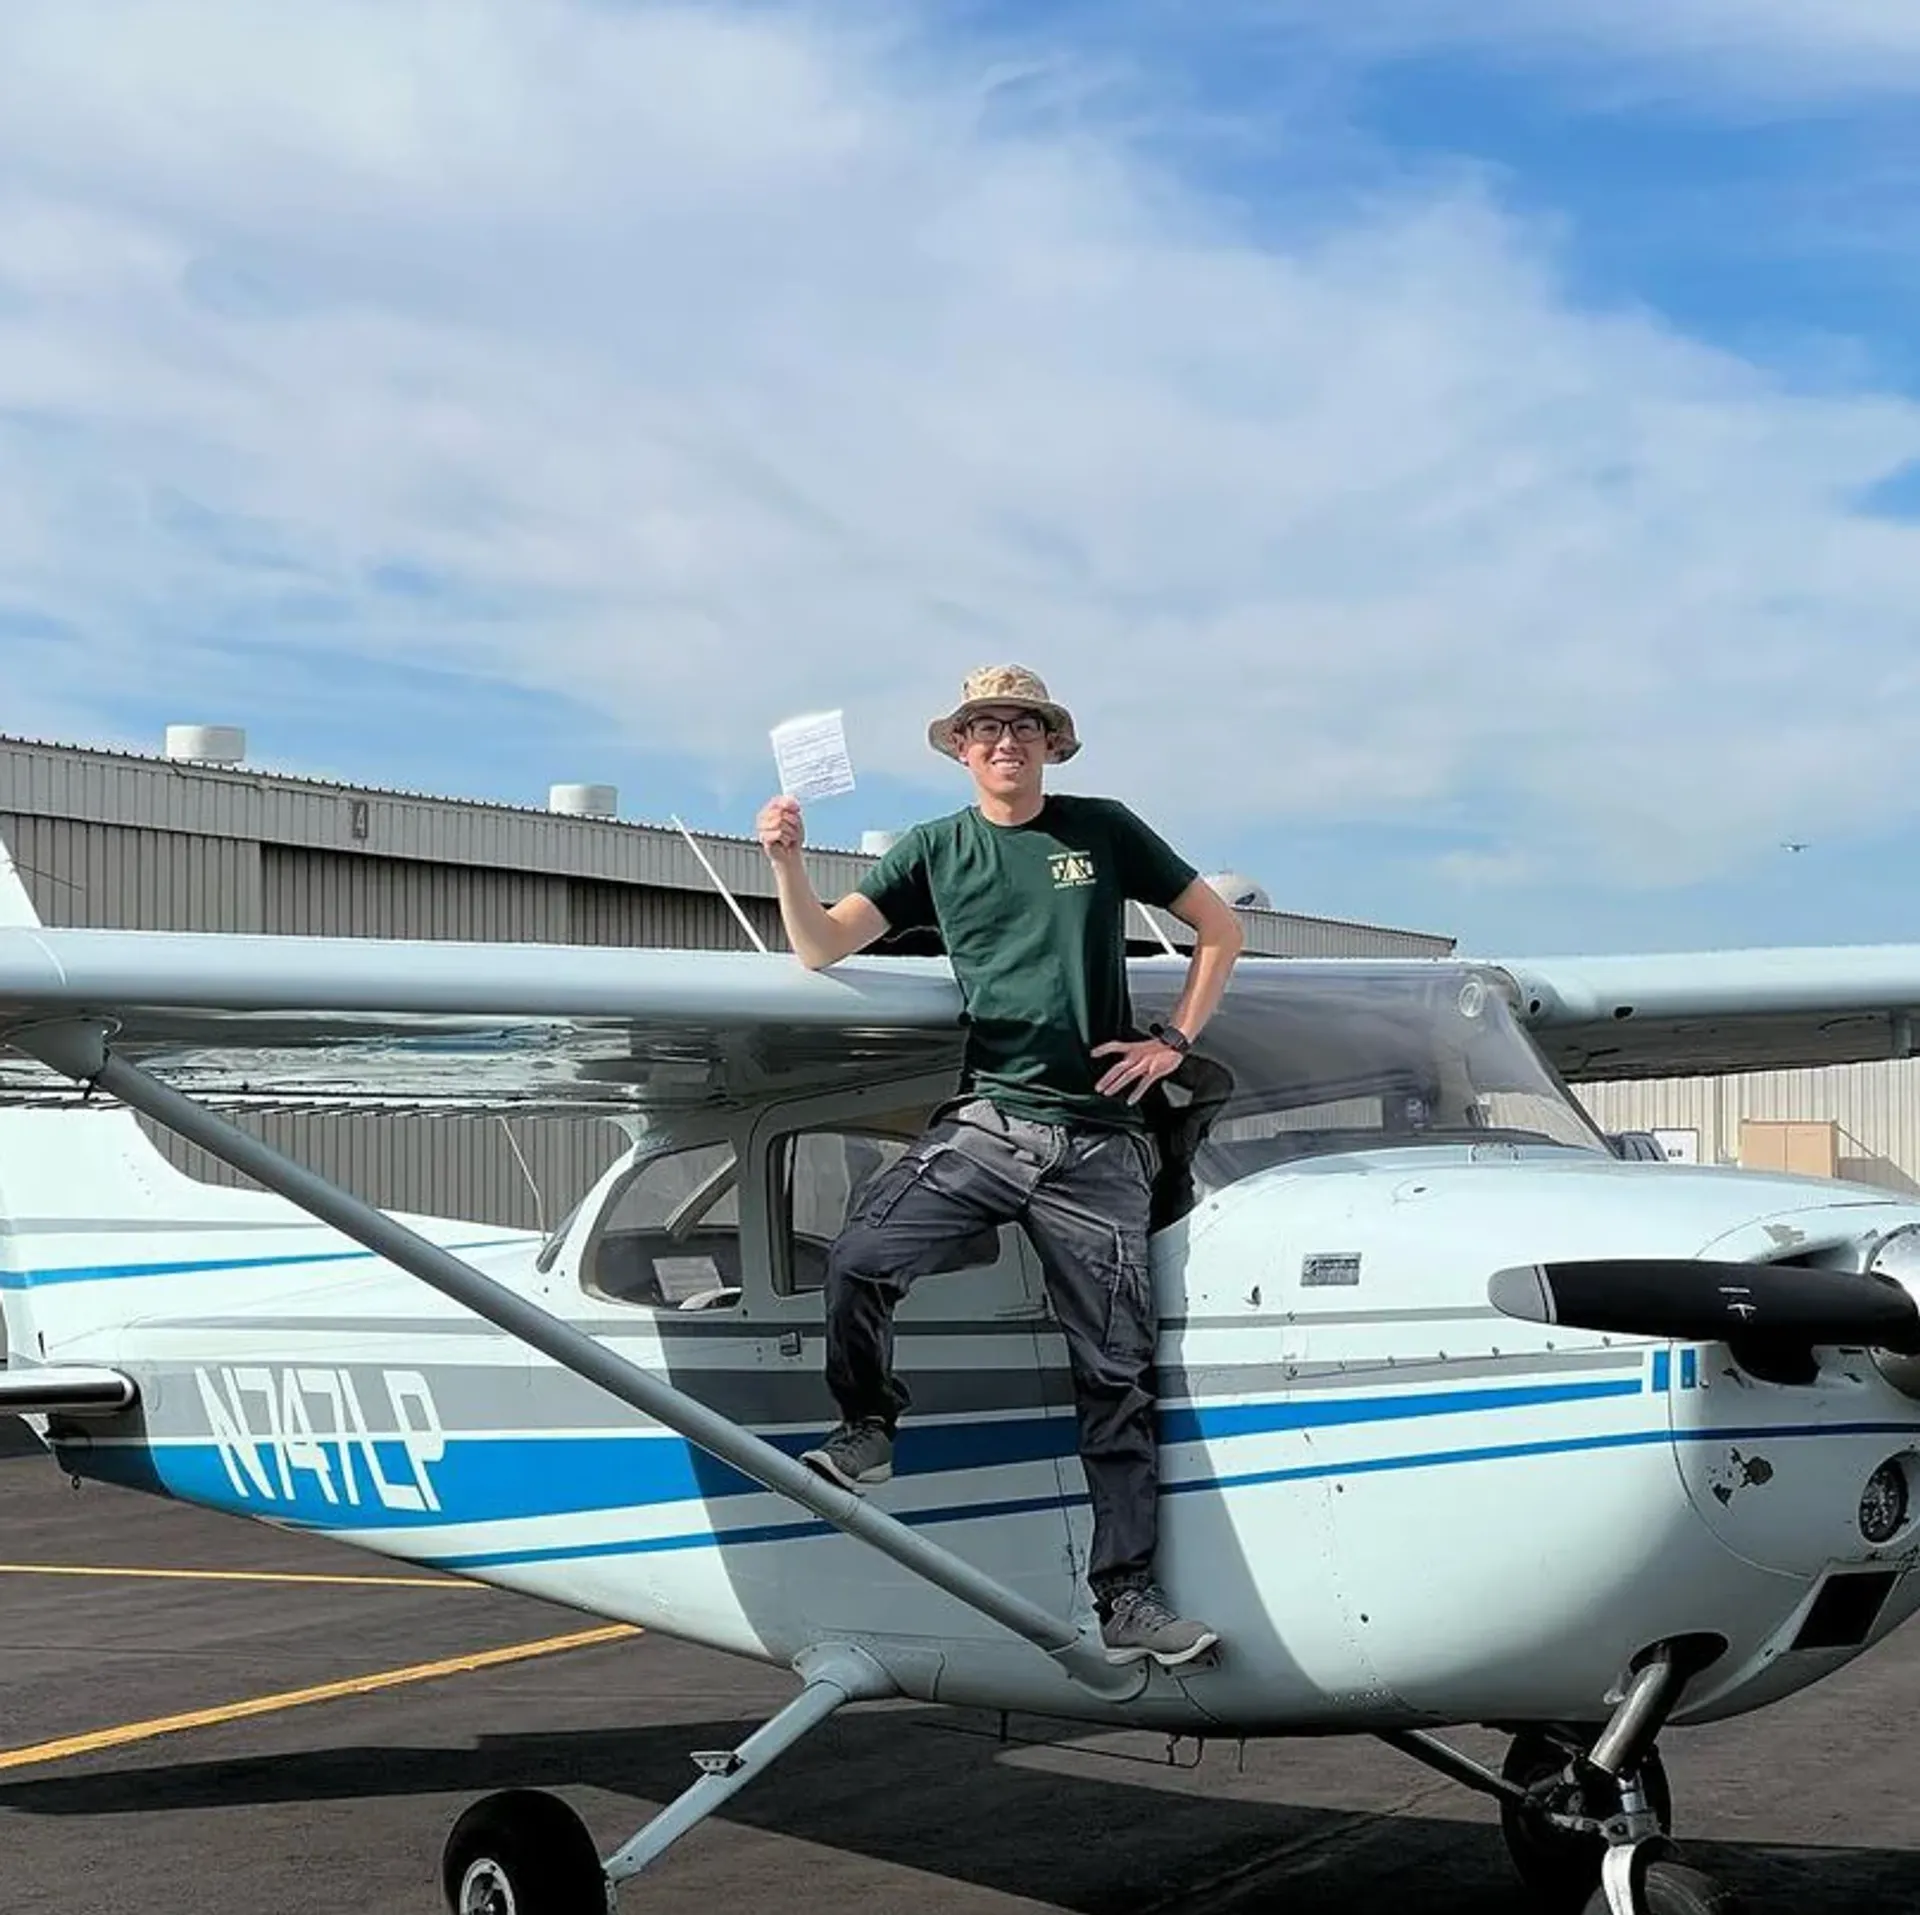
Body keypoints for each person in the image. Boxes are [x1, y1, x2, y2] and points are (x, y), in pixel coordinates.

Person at [754, 665, 1245, 1667]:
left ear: (1052, 744)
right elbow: (816, 948)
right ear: (963, 748)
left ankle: (1127, 1600)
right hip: (991, 1124)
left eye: (1023, 725)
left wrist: (1174, 1041)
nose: (1004, 739)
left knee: (1115, 1377)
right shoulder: (938, 848)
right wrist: (787, 861)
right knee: (858, 1257)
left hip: (1101, 1145)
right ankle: (869, 1426)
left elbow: (1221, 928)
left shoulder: (1102, 828)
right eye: (984, 727)